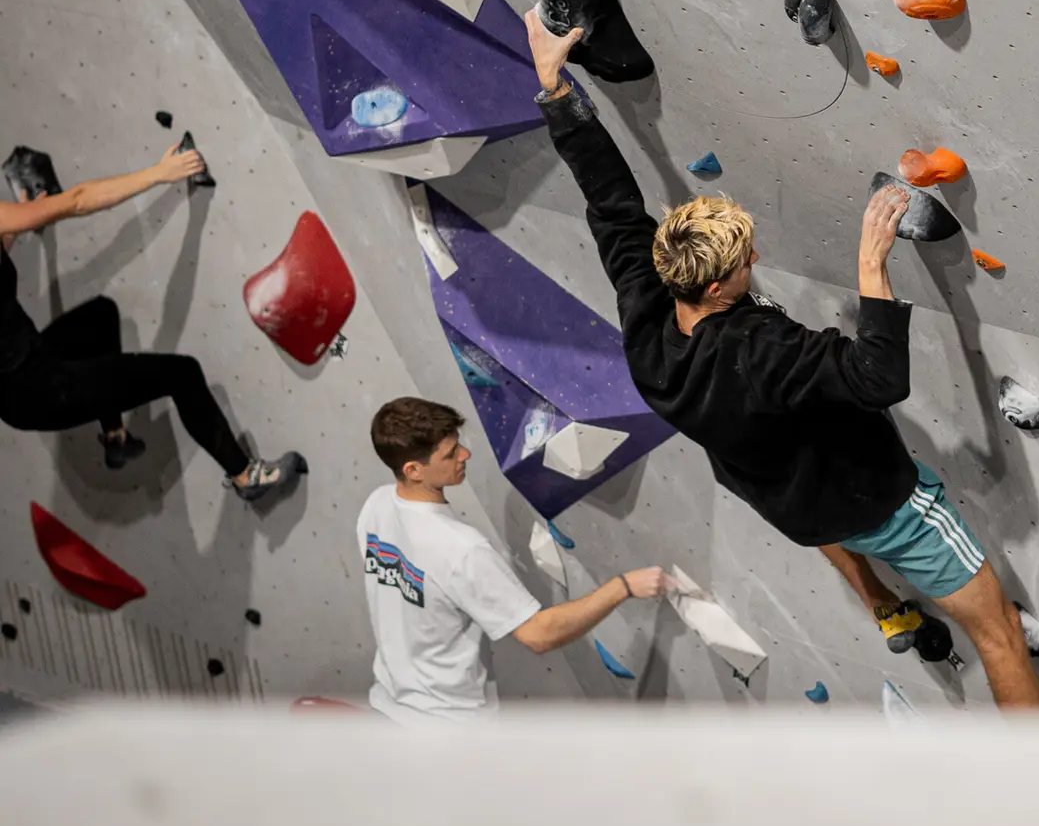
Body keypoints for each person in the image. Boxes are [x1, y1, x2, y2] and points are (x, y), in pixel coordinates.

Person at [523, 11, 1039, 709]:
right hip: (884, 504)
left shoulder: (648, 312)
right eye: (745, 264)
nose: (757, 262)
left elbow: (613, 204)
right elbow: (878, 379)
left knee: (826, 522)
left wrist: (555, 86)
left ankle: (884, 603)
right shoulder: (760, 351)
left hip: (789, 501)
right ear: (714, 286)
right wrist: (871, 259)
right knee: (1002, 632)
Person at [0, 143, 302, 501]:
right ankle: (245, 476)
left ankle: (115, 437)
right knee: (181, 374)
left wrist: (26, 210)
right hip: (35, 388)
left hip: (21, 373)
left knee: (99, 317)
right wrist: (161, 173)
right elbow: (77, 200)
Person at [359, 397, 677, 723]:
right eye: (450, 454)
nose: (465, 455)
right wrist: (621, 587)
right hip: (449, 730)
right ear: (413, 470)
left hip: (390, 709)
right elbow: (538, 634)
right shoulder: (461, 549)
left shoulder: (377, 506)